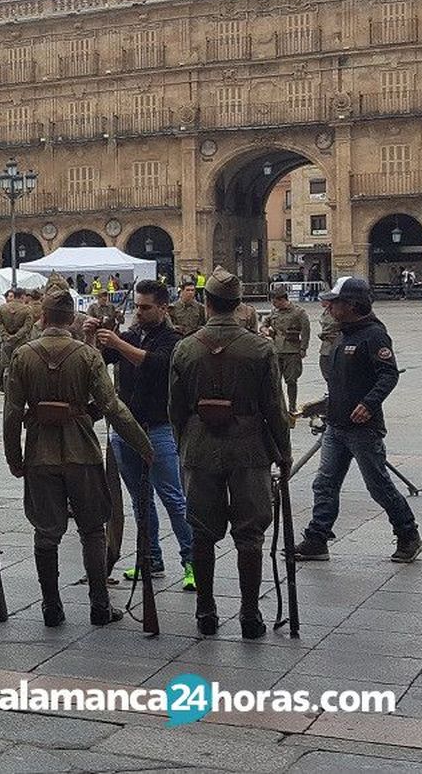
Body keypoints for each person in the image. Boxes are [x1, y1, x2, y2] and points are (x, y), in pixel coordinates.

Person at [4, 289, 151, 627]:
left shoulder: (23, 355)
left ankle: (51, 607)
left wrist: (14, 455)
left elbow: (12, 413)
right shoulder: (86, 355)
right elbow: (112, 405)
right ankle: (100, 606)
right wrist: (142, 444)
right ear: (71, 319)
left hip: (40, 452)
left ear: (42, 318)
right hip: (81, 450)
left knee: (46, 532)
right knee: (93, 530)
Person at [169, 268, 292, 638]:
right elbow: (275, 406)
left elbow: (174, 408)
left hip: (200, 446)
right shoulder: (259, 347)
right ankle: (250, 615)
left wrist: (184, 444)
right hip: (249, 447)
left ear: (207, 303)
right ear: (239, 304)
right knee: (250, 533)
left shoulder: (186, 347)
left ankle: (205, 612)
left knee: (202, 532)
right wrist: (283, 453)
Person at [297, 277, 422, 563]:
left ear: (352, 305)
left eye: (335, 302)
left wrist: (369, 403)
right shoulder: (344, 333)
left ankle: (408, 535)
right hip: (336, 425)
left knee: (378, 485)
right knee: (324, 484)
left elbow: (388, 373)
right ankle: (317, 539)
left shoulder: (374, 335)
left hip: (362, 429)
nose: (329, 306)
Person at [90, 279, 195, 590]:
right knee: (140, 500)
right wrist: (93, 338)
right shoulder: (134, 333)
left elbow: (154, 364)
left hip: (159, 428)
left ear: (163, 308)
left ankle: (192, 562)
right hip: (126, 428)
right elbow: (100, 362)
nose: (139, 311)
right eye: (136, 305)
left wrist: (118, 343)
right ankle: (151, 559)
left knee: (174, 499)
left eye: (145, 307)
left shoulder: (172, 339)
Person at [263, 283, 311, 412]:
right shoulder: (274, 312)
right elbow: (265, 323)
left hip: (292, 350)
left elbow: (306, 331)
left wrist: (303, 348)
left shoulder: (298, 312)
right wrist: (265, 329)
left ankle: (292, 406)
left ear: (283, 299)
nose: (273, 304)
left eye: (275, 301)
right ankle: (278, 406)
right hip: (276, 350)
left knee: (291, 380)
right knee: (275, 380)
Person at [0, 288, 32, 390]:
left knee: (7, 367)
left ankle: (6, 389)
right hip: (21, 341)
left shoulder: (2, 308)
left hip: (6, 342)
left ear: (13, 296)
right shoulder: (27, 309)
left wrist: (5, 335)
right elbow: (27, 326)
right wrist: (17, 336)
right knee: (21, 367)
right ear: (22, 296)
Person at [317, 298, 341, 383]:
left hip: (335, 342)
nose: (321, 302)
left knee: (335, 369)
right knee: (324, 366)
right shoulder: (326, 312)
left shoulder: (337, 311)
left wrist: (325, 333)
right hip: (326, 344)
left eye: (323, 300)